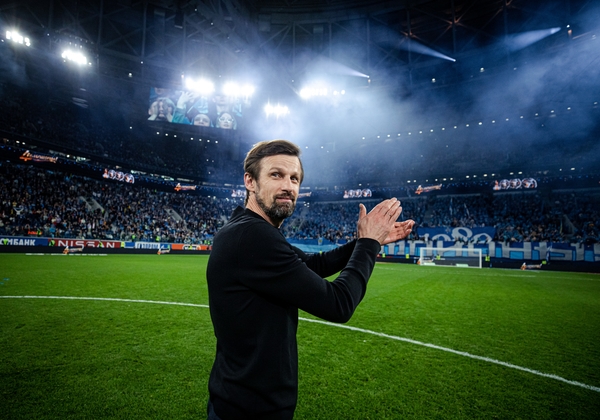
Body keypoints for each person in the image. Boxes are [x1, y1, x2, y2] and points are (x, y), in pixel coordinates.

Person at [206, 139, 415, 419]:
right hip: (250, 409)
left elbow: (313, 265)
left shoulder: (245, 229)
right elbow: (339, 304)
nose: (288, 186)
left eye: (294, 178)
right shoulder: (253, 236)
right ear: (250, 182)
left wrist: (367, 241)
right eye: (276, 175)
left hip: (236, 398)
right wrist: (368, 244)